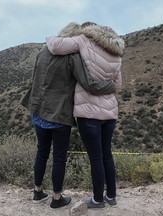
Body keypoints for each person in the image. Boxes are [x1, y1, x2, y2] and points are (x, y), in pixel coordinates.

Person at [21, 22, 116, 209]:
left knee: (41, 152)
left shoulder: (43, 50)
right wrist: (110, 86)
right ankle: (57, 198)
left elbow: (35, 79)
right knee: (59, 157)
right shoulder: (73, 57)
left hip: (38, 110)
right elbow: (89, 84)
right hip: (59, 114)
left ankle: (37, 191)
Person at [46, 22, 125, 208]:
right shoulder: (116, 53)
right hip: (110, 112)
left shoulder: (84, 40)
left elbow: (56, 47)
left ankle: (97, 200)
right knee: (107, 155)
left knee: (95, 158)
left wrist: (50, 38)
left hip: (88, 114)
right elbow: (118, 86)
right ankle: (111, 197)